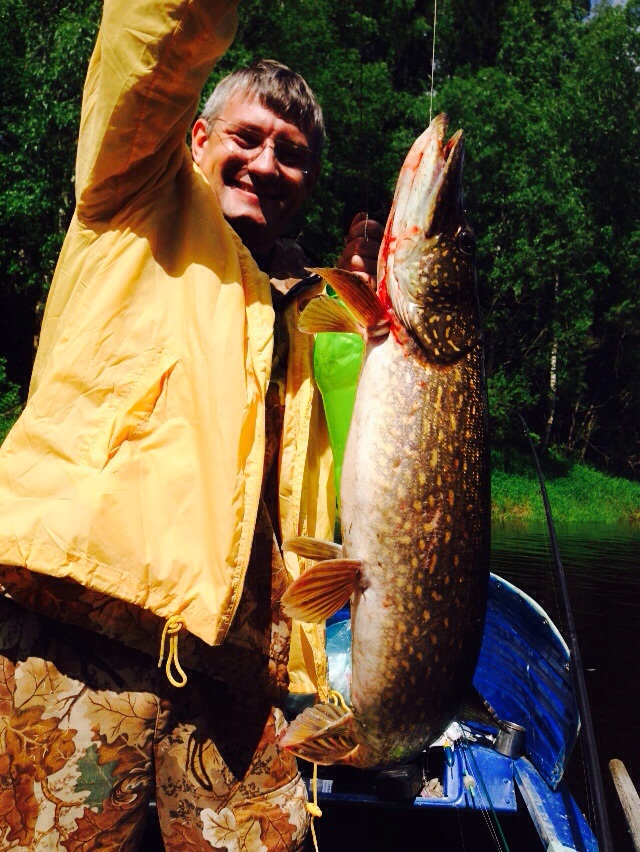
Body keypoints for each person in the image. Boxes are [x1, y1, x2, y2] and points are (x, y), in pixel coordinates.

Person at [0, 1, 382, 850]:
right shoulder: (131, 192)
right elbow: (154, 41)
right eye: (248, 136)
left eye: (292, 153)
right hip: (85, 624)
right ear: (196, 137)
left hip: (244, 668)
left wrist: (372, 329)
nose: (266, 162)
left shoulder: (315, 314)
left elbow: (363, 479)